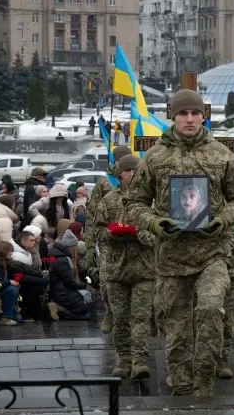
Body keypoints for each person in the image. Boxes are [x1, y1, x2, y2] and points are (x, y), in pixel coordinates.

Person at [124, 89, 234, 396]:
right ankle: (181, 383)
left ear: (203, 116)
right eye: (183, 114)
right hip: (172, 256)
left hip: (214, 251)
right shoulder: (155, 156)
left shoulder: (221, 154)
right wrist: (155, 223)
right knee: (177, 325)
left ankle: (206, 378)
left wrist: (223, 219)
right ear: (174, 116)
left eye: (195, 113)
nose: (190, 119)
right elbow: (133, 203)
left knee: (210, 308)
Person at [94, 154, 155, 379]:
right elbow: (98, 230)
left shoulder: (152, 201)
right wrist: (112, 232)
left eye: (134, 171)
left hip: (144, 268)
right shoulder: (109, 200)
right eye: (126, 171)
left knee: (140, 316)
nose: (130, 175)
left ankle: (139, 360)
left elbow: (159, 236)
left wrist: (137, 233)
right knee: (120, 317)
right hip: (116, 268)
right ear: (119, 174)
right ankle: (124, 359)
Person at [85, 144, 132, 334]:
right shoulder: (105, 183)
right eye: (122, 161)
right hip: (109, 239)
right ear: (116, 161)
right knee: (106, 280)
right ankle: (110, 312)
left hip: (134, 238)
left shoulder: (139, 180)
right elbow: (92, 215)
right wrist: (89, 244)